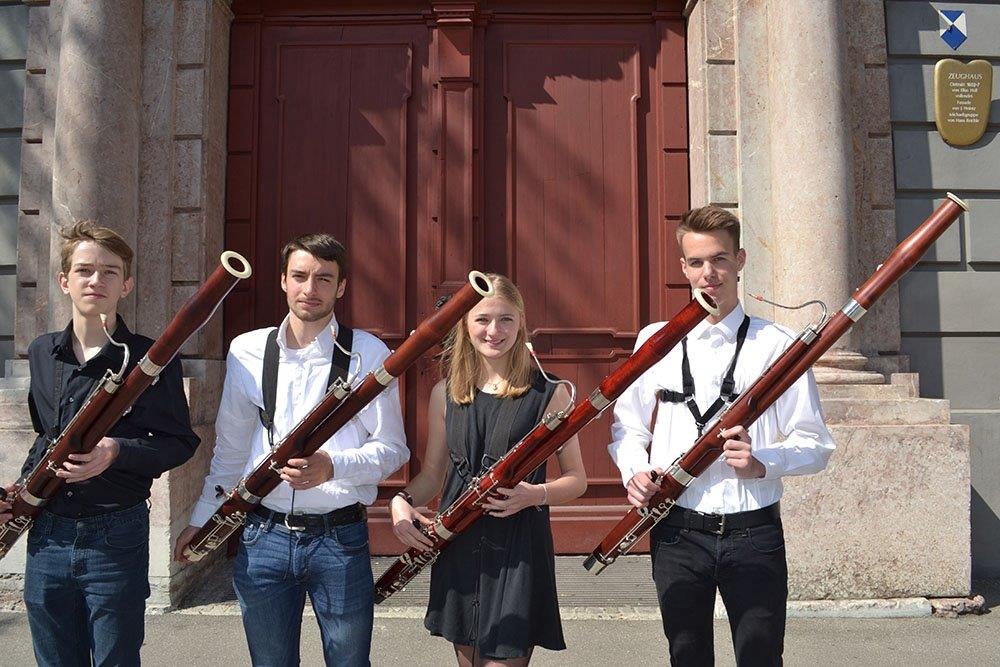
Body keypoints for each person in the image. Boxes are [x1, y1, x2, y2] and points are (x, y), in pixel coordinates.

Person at [608, 206, 836, 666]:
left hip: (754, 530)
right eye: (696, 262)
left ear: (741, 260)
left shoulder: (777, 344)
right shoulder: (655, 340)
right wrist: (635, 472)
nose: (708, 274)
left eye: (719, 260)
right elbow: (627, 427)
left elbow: (816, 445)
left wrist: (763, 462)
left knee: (761, 656)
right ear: (682, 268)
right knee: (686, 656)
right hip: (677, 531)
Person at [174, 233, 407, 667]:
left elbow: (393, 450)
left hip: (339, 538)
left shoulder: (368, 353)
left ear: (341, 287)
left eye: (324, 279)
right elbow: (231, 448)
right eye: (299, 276)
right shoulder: (246, 351)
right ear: (282, 281)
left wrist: (331, 466)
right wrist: (202, 519)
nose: (310, 289)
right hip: (263, 537)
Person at [0, 221, 199, 666]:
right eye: (85, 270)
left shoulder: (152, 358)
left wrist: (117, 451)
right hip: (48, 533)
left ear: (126, 284)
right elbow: (46, 436)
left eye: (110, 272)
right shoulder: (41, 352)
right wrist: (18, 491)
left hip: (116, 535)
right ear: (64, 281)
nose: (97, 280)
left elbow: (180, 443)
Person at [389, 274, 587, 667]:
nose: (493, 331)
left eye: (505, 320)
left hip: (519, 550)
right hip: (459, 545)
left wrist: (535, 495)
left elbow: (576, 479)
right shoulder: (445, 393)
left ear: (521, 323)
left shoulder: (551, 393)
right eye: (482, 319)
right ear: (465, 324)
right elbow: (432, 474)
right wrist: (401, 501)